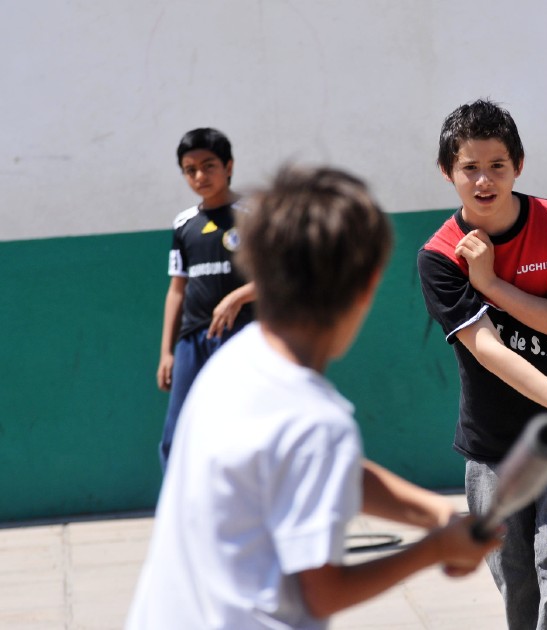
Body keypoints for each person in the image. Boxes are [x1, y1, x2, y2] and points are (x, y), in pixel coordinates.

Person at [127, 165, 499, 629]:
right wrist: (435, 550)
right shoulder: (316, 421)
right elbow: (323, 593)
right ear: (366, 290)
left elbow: (318, 468)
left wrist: (435, 513)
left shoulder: (234, 359)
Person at [417, 99, 547, 629]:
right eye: (470, 167)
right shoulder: (439, 256)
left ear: (518, 165)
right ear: (448, 172)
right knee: (519, 596)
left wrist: (490, 284)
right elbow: (486, 349)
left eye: (497, 166)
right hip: (495, 448)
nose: (484, 180)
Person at [157, 127, 256, 470]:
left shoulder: (253, 215)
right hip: (192, 342)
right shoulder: (184, 224)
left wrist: (238, 298)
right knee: (178, 438)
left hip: (242, 338)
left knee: (243, 430)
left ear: (229, 166)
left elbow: (281, 277)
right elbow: (176, 290)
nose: (200, 175)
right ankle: (185, 519)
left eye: (209, 165)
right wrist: (167, 351)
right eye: (190, 169)